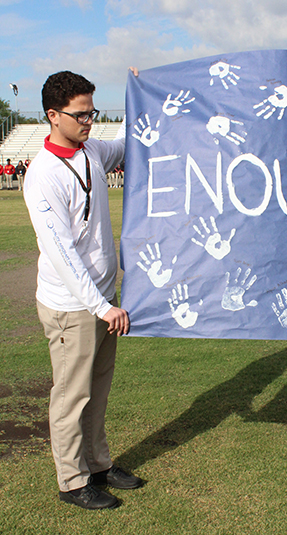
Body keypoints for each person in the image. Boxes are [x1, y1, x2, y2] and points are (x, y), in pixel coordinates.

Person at [24, 69, 142, 510]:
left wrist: (139, 93)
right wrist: (99, 305)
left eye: (92, 112)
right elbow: (60, 251)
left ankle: (98, 464)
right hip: (73, 304)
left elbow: (129, 143)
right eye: (80, 114)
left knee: (98, 387)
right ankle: (72, 482)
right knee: (72, 395)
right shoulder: (42, 175)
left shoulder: (90, 150)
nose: (89, 121)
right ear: (53, 116)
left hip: (100, 302)